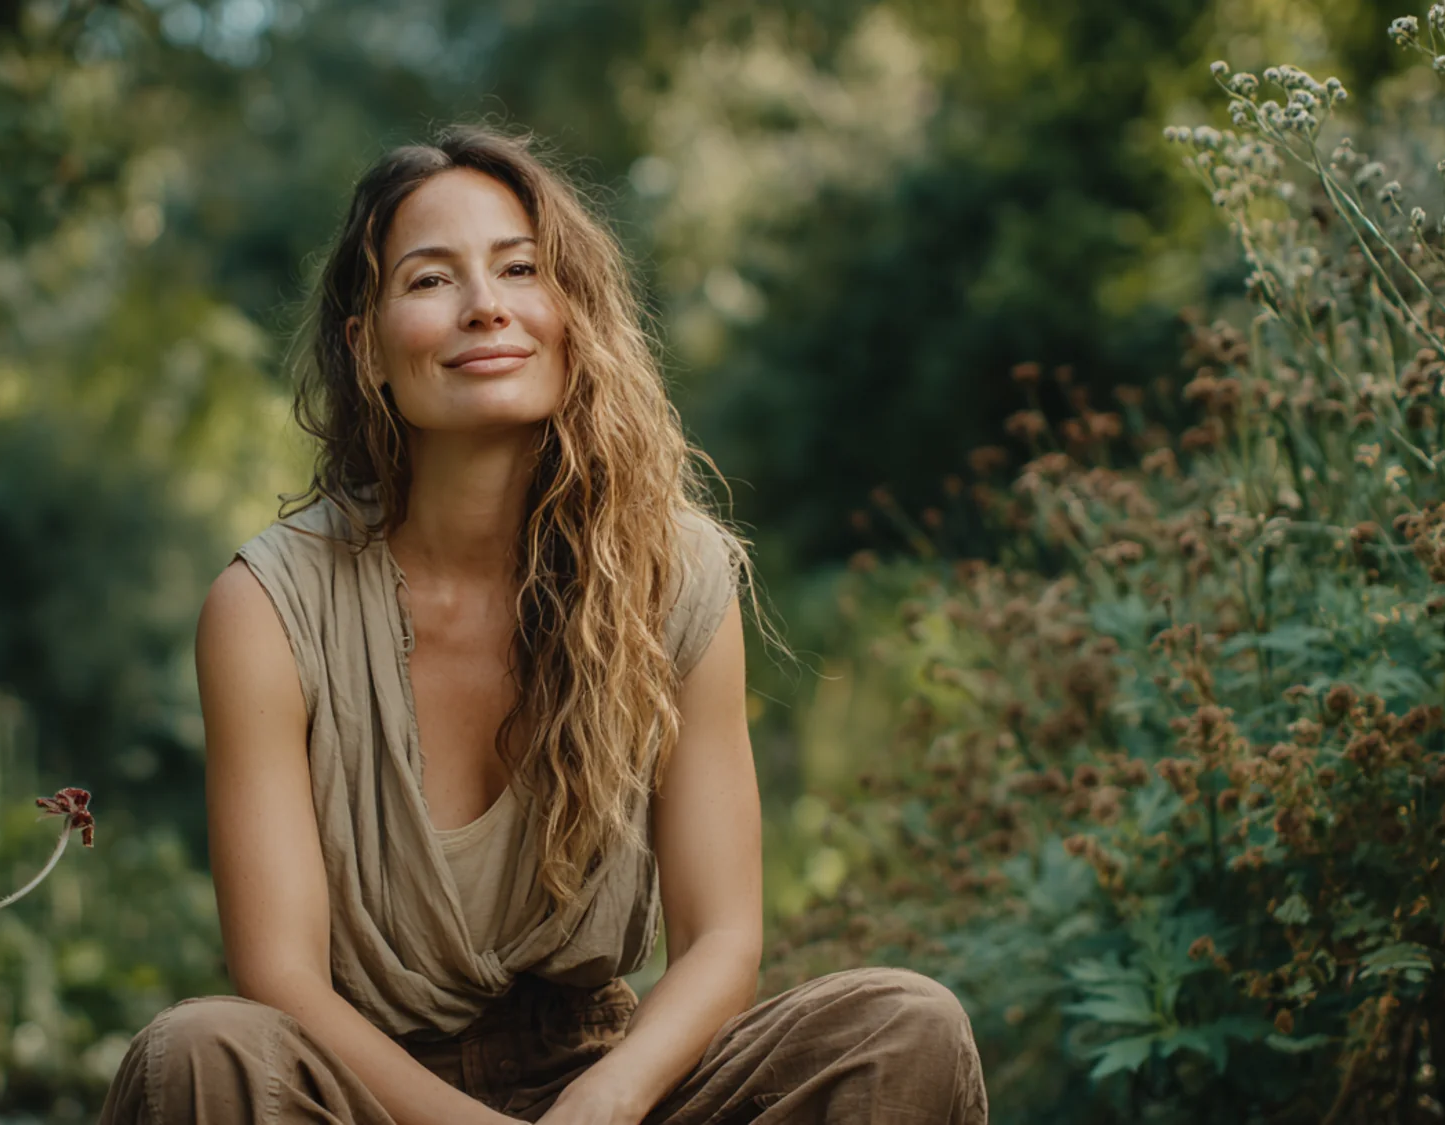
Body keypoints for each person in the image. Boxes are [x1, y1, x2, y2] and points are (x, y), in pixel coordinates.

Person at [97, 125, 987, 1125]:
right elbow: (281, 977)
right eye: (431, 280)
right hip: (360, 1095)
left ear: (572, 314)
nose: (486, 306)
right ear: (367, 348)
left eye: (520, 269)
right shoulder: (267, 607)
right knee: (198, 1052)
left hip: (604, 1087)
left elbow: (721, 942)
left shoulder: (673, 574)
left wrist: (604, 1102)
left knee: (903, 1024)